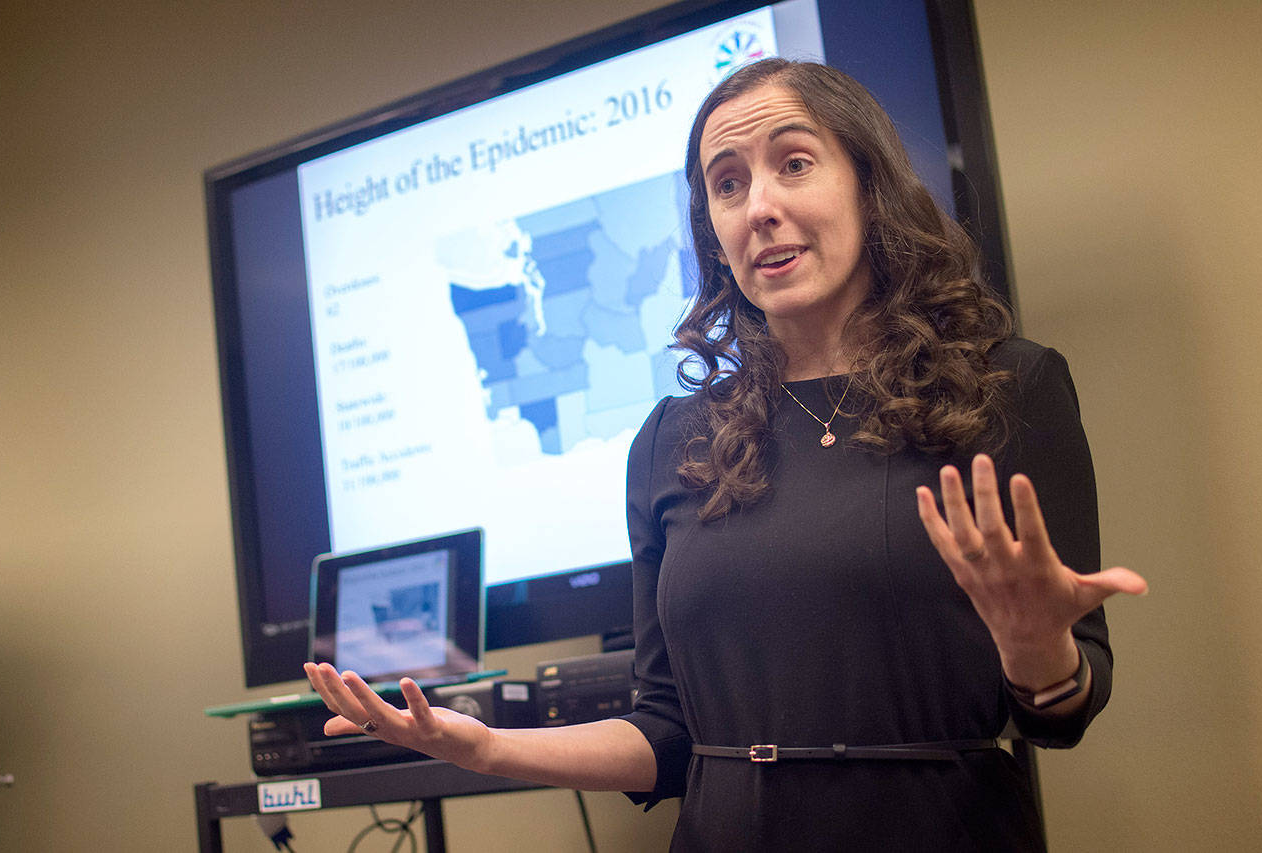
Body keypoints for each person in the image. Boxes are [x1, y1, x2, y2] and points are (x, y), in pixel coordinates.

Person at [305, 58, 1147, 850]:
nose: (759, 207)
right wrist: (484, 746)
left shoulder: (1005, 386)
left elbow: (1064, 709)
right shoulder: (672, 440)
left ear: (868, 183)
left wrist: (1041, 652)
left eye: (794, 164)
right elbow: (666, 731)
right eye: (727, 183)